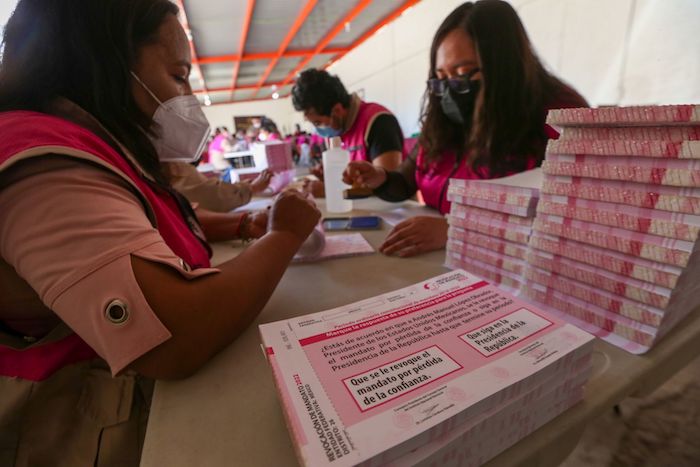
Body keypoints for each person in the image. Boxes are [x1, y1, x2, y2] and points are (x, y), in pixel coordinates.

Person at [0, 1, 320, 464]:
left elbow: (147, 219)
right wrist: (283, 236)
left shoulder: (94, 146)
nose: (186, 96)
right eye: (178, 75)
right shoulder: (42, 158)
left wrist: (242, 223)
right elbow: (172, 334)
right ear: (107, 60)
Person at [343, 0, 587, 258]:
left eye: (464, 73)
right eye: (441, 77)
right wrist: (380, 177)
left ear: (505, 66)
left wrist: (457, 229)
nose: (450, 88)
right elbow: (407, 179)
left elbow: (578, 221)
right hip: (442, 265)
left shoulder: (559, 116)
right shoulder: (443, 121)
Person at [291, 69, 404, 197]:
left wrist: (332, 191)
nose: (318, 129)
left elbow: (390, 186)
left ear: (337, 110)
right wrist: (329, 178)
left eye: (318, 123)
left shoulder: (379, 122)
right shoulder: (337, 131)